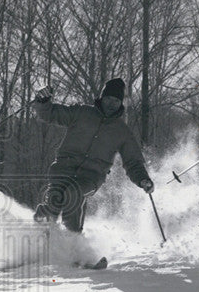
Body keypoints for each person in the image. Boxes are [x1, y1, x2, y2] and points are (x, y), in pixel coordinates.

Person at [31, 78, 153, 232]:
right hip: (63, 169)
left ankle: (73, 242)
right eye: (108, 99)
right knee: (54, 201)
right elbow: (50, 114)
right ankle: (37, 238)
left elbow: (133, 161)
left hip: (91, 177)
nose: (111, 104)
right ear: (102, 98)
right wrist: (43, 101)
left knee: (74, 193)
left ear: (120, 103)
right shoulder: (81, 113)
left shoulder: (122, 132)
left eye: (116, 101)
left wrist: (143, 179)